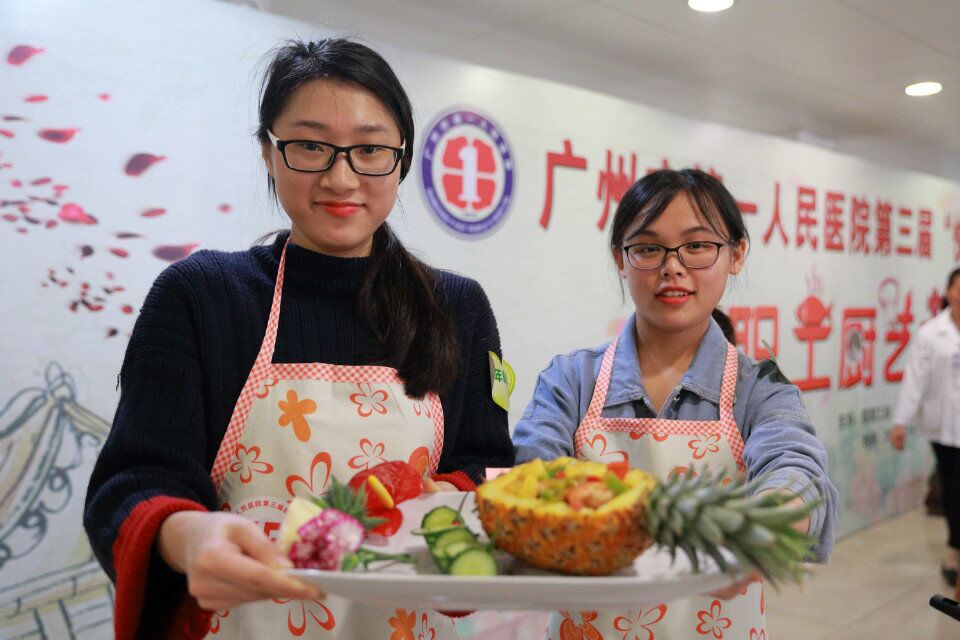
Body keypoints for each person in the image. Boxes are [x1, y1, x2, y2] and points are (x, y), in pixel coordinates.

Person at [83, 38, 513, 640]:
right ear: (269, 153)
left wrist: (446, 497)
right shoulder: (202, 295)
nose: (341, 177)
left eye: (370, 150)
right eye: (311, 146)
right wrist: (188, 537)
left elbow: (488, 471)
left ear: (401, 160)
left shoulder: (456, 308)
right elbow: (131, 485)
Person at [513, 168, 837, 638]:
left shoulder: (761, 389)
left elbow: (795, 466)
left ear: (736, 254)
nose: (673, 267)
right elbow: (533, 471)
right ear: (620, 259)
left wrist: (763, 524)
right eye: (648, 248)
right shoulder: (571, 380)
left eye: (697, 245)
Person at [890, 266, 960, 588]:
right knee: (953, 487)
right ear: (947, 292)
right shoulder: (931, 333)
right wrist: (901, 422)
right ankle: (954, 552)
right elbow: (914, 380)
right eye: (957, 288)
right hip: (942, 426)